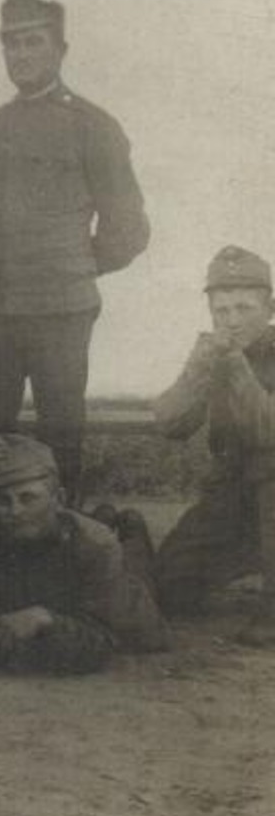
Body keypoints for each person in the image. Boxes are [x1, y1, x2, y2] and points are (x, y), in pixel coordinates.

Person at [0, 0, 150, 501]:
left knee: (60, 434)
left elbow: (129, 228)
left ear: (60, 49)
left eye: (33, 41)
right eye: (11, 43)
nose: (20, 54)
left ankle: (62, 544)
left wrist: (74, 265)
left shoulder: (93, 125)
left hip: (62, 308)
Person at [0, 434, 166, 674]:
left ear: (59, 499)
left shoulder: (96, 546)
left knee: (141, 576)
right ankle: (104, 515)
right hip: (80, 586)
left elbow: (107, 639)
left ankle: (132, 527)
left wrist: (46, 619)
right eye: (3, 501)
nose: (14, 511)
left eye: (28, 498)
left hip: (119, 588)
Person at [153, 245, 275, 646]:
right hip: (233, 499)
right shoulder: (215, 353)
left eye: (244, 309)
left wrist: (239, 369)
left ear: (269, 308)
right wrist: (198, 368)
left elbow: (268, 433)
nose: (232, 321)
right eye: (222, 311)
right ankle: (249, 559)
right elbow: (170, 424)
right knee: (169, 585)